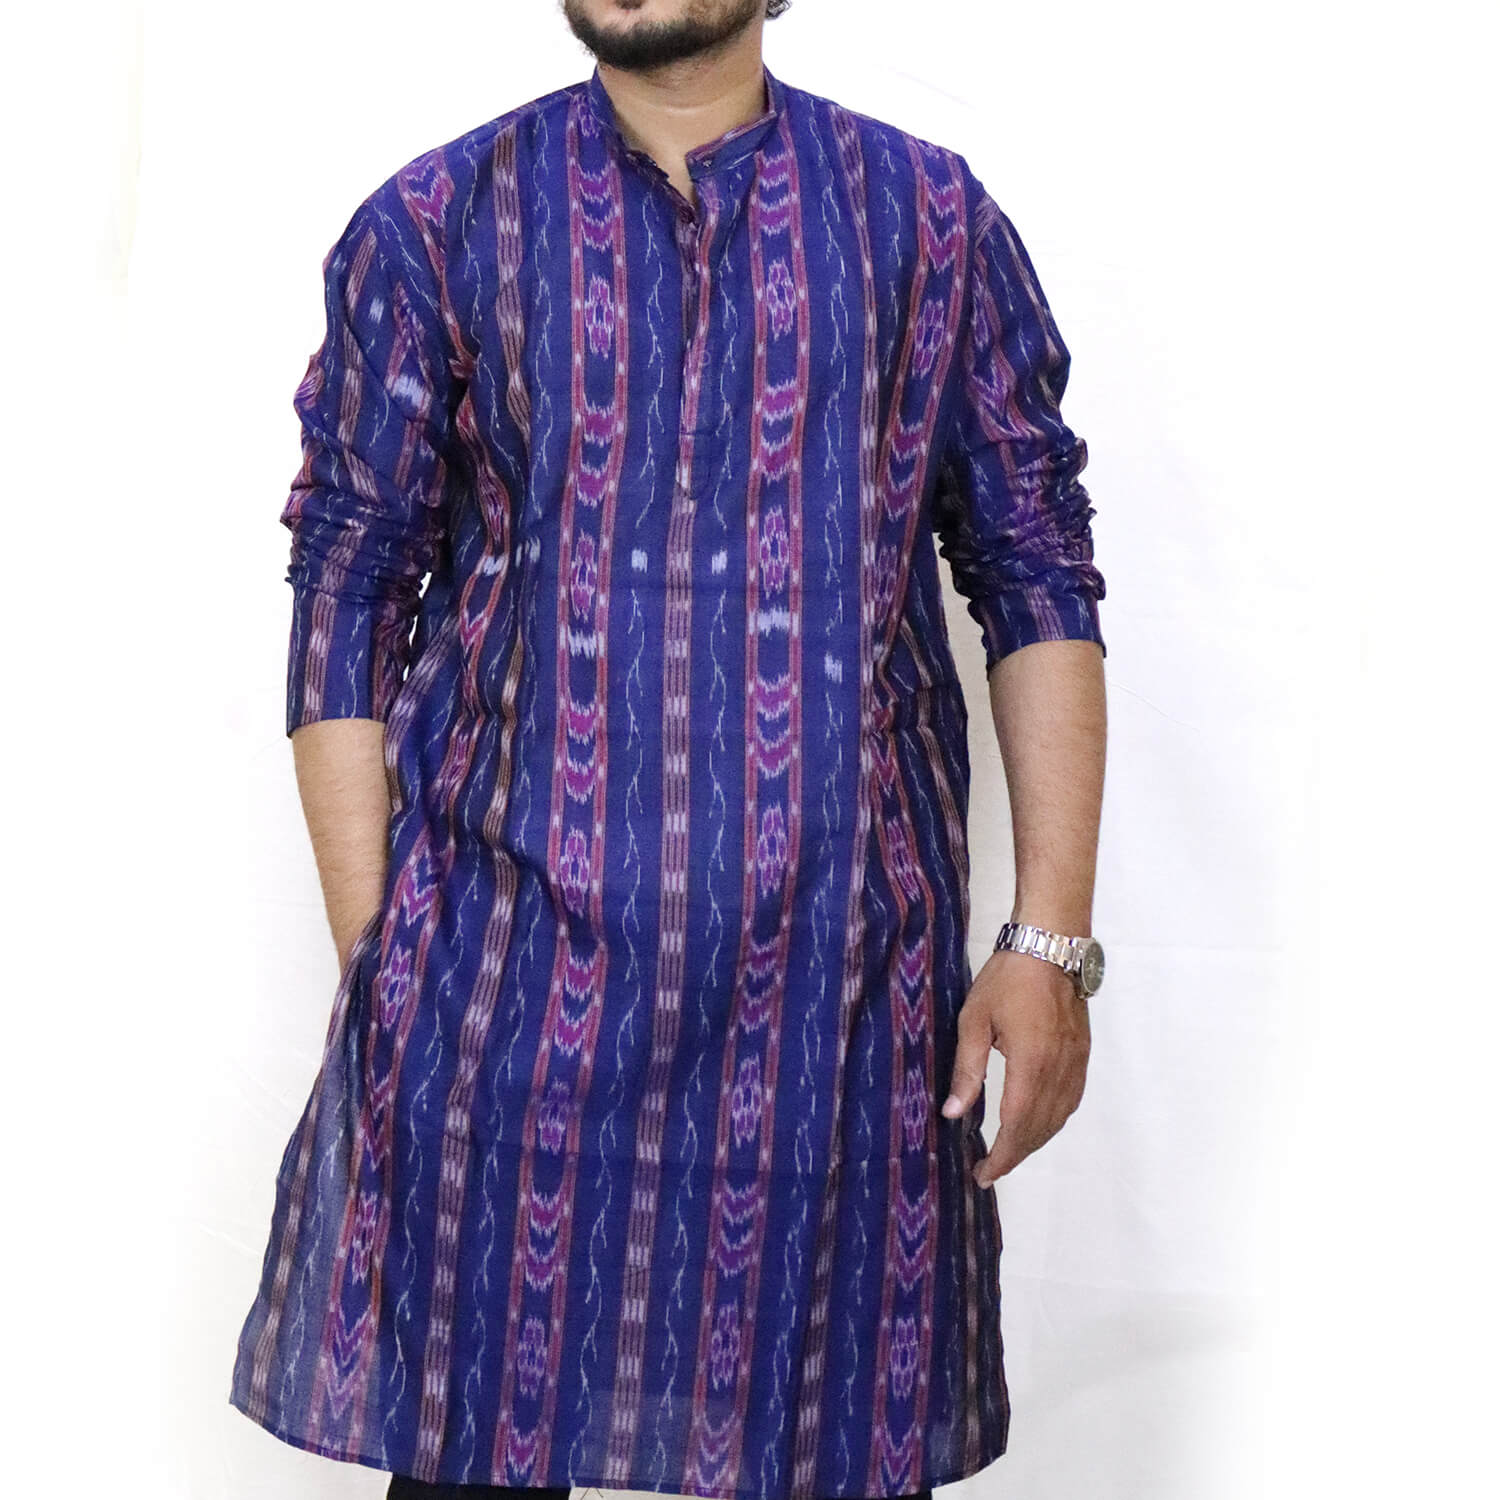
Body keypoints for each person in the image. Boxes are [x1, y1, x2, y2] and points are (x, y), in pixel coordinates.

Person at [227, 2, 1109, 1497]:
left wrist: (1049, 941)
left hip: (838, 1010)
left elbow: (1033, 571)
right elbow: (349, 594)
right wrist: (388, 965)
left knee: (834, 1456)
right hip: (502, 1008)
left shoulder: (927, 222)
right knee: (467, 1463)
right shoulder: (437, 225)